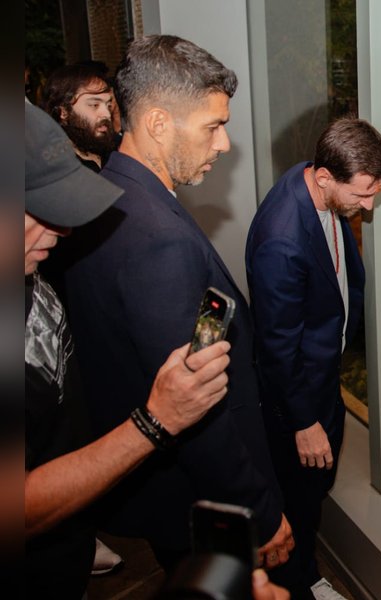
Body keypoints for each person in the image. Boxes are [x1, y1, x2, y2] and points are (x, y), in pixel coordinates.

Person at [59, 35, 294, 571]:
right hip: (198, 500)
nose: (225, 144)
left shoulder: (109, 195)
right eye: (213, 125)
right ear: (160, 124)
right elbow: (195, 404)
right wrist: (258, 509)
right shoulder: (158, 240)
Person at [24, 100, 233, 598]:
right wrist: (155, 420)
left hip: (65, 558)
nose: (62, 228)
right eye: (35, 211)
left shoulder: (28, 269)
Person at [246, 117, 381, 599]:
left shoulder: (312, 180)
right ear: (327, 177)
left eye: (376, 191)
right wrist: (303, 421)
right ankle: (297, 581)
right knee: (299, 498)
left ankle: (301, 567)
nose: (369, 206)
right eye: (364, 194)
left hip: (320, 373)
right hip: (298, 396)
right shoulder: (281, 242)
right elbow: (277, 345)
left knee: (315, 486)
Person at [41, 63, 118, 172]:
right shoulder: (53, 169)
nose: (107, 114)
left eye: (109, 106)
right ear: (64, 112)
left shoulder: (116, 153)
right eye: (94, 105)